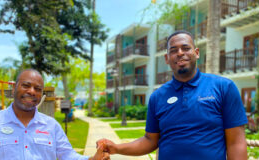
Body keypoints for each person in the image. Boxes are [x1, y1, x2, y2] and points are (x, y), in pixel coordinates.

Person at [97, 30, 248, 160]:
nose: (180, 53)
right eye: (174, 50)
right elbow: (150, 140)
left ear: (196, 53)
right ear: (167, 58)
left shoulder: (223, 87)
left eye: (185, 48)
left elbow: (236, 142)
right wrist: (117, 148)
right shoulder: (157, 97)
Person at [0, 69, 109, 160]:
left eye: (37, 89)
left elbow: (69, 156)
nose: (31, 91)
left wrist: (93, 159)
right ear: (13, 89)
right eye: (26, 85)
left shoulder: (51, 126)